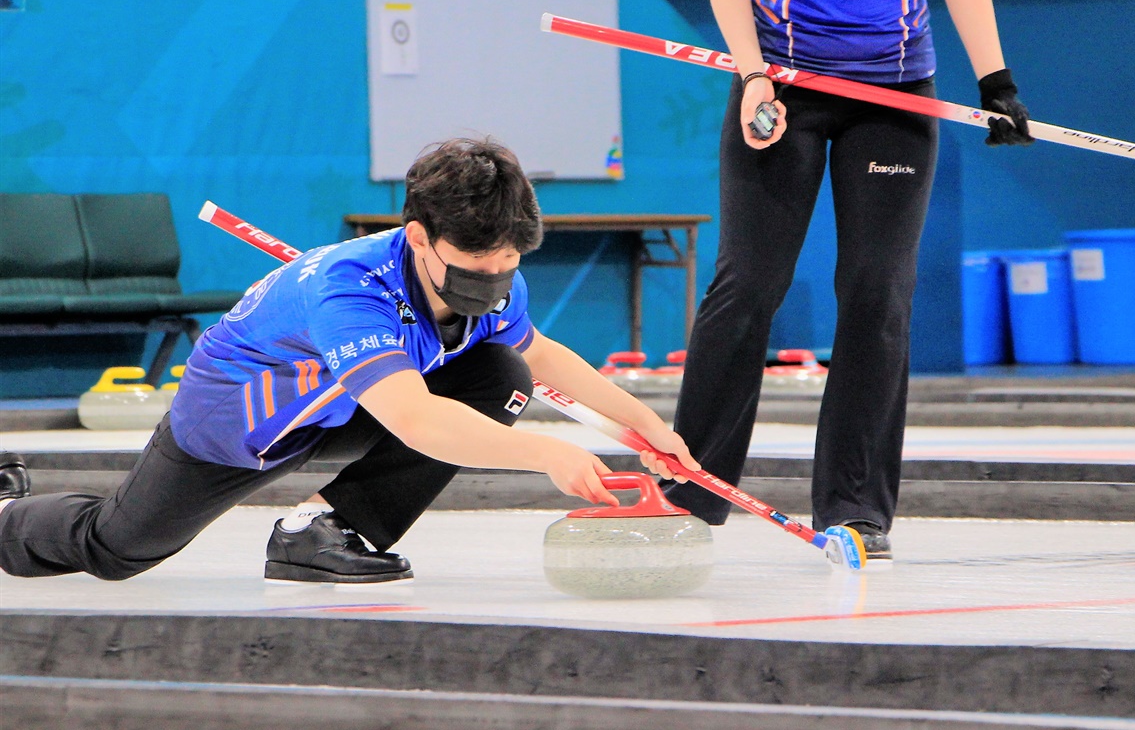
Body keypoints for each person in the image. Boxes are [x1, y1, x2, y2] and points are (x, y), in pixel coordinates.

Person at [665, 0, 1033, 561]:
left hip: (892, 93)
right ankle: (690, 491)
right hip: (781, 83)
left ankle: (856, 510)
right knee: (746, 285)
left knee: (876, 295)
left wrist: (996, 83)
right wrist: (752, 76)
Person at [0, 139, 695, 584]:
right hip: (241, 421)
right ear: (419, 237)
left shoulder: (497, 277)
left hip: (342, 406)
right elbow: (416, 419)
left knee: (501, 374)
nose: (497, 274)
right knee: (119, 548)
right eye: (478, 260)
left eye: (510, 260)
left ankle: (325, 528)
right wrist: (549, 453)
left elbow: (538, 354)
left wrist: (647, 427)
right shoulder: (347, 288)